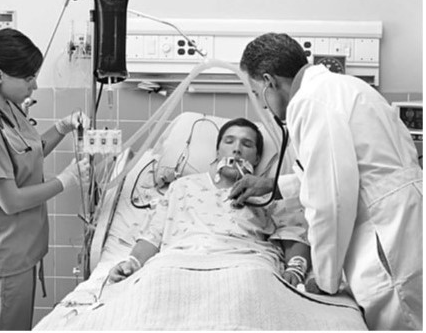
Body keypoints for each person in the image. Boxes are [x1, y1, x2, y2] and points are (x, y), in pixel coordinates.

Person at [232, 32, 422, 330]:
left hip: (385, 234)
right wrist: (273, 185)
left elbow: (330, 199)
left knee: (401, 321)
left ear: (269, 81)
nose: (263, 106)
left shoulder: (309, 102)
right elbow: (343, 172)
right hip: (406, 217)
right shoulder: (345, 87)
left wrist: (324, 278)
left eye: (257, 93)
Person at [0, 27, 91, 330]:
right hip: (3, 255)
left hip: (22, 249)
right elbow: (11, 200)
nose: (34, 85)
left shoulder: (9, 108)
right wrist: (66, 180)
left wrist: (62, 126)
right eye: (28, 77)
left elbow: (27, 153)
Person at [109, 118, 311, 288]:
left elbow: (293, 233)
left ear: (257, 158)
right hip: (178, 264)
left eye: (246, 144)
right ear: (217, 151)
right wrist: (133, 263)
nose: (237, 150)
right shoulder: (182, 187)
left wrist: (296, 267)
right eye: (229, 141)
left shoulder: (270, 192)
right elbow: (152, 235)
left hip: (247, 265)